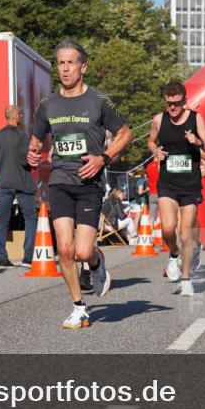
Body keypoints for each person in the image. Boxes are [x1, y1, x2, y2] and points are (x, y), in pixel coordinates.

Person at [28, 40, 132, 329]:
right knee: (64, 249)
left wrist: (103, 158)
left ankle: (96, 263)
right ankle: (78, 306)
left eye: (70, 62)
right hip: (60, 180)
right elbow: (36, 139)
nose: (64, 68)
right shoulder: (48, 104)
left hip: (89, 182)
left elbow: (124, 134)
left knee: (83, 252)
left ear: (83, 67)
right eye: (60, 62)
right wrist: (33, 151)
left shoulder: (97, 101)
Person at [148, 81, 205, 296]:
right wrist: (155, 151)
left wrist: (197, 142)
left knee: (185, 235)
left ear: (184, 101)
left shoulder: (196, 118)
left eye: (176, 104)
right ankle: (173, 255)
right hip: (167, 183)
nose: (172, 108)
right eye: (169, 104)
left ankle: (186, 279)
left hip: (190, 185)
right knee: (168, 229)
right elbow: (151, 141)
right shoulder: (159, 119)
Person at [0, 105, 37, 267]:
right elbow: (24, 160)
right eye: (21, 115)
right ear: (17, 117)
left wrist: (5, 160)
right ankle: (28, 257)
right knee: (30, 218)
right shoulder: (22, 136)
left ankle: (2, 258)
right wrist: (35, 161)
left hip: (3, 183)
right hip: (22, 183)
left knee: (3, 221)